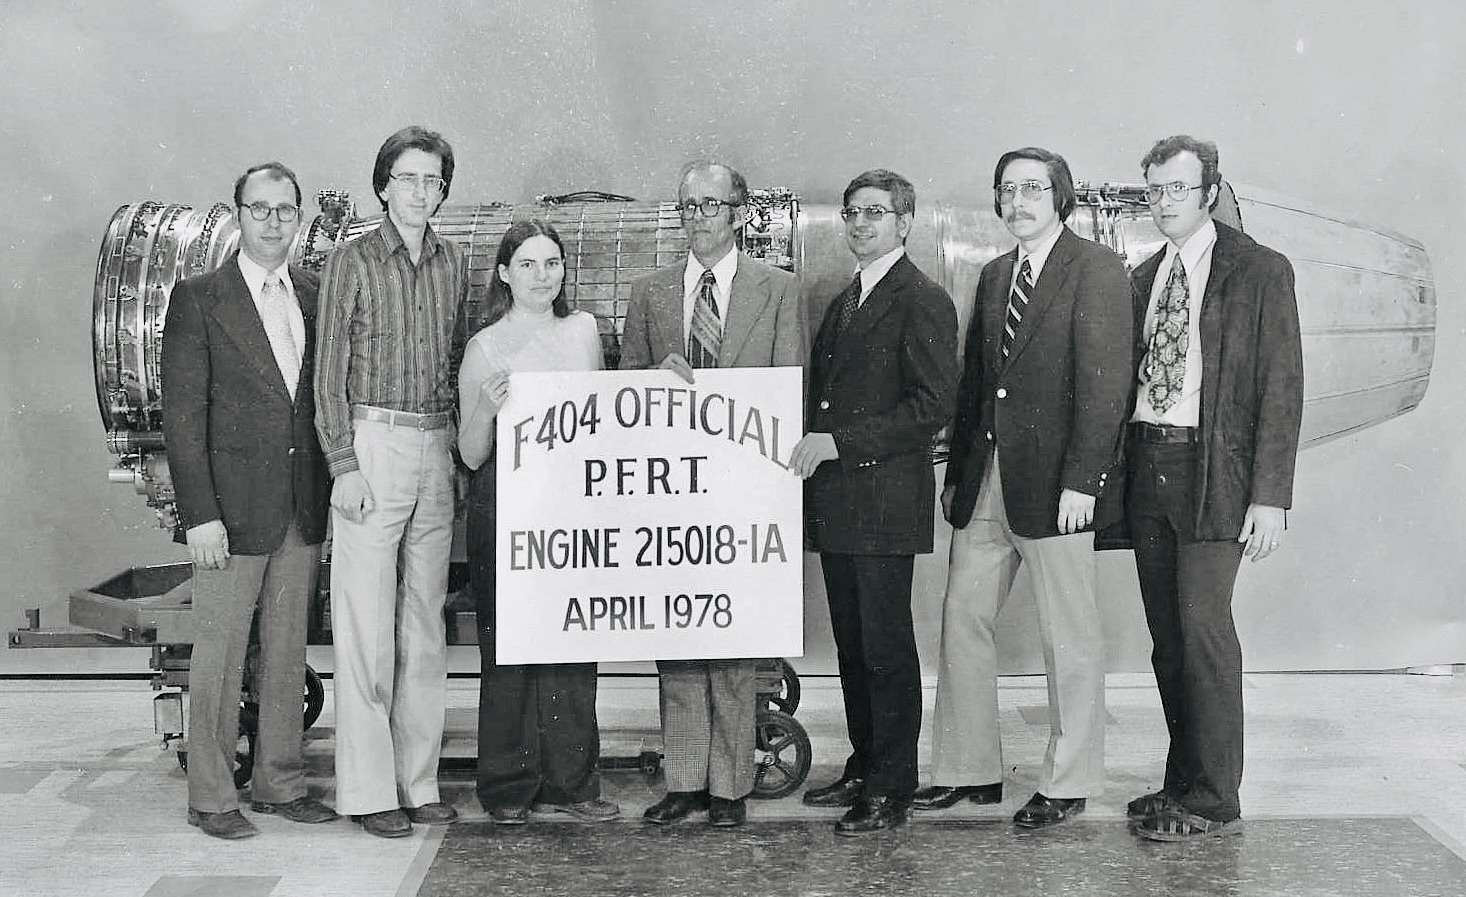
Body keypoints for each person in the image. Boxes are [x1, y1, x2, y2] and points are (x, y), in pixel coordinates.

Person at [916, 147, 1132, 828]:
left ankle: (1067, 781)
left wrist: (1084, 481)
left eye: (1032, 188)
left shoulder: (1097, 269)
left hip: (1057, 487)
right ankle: (968, 768)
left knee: (1069, 634)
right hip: (988, 480)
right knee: (962, 619)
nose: (1017, 201)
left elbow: (1106, 386)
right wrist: (959, 481)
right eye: (1006, 190)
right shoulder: (994, 274)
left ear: (1061, 197)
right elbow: (980, 385)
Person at [1119, 135, 1302, 841]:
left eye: (1178, 189)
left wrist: (1271, 496)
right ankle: (1182, 781)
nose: (1165, 202)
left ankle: (1215, 798)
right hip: (1150, 466)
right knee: (1169, 639)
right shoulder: (1143, 276)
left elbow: (1282, 389)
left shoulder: (1258, 271)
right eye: (1155, 190)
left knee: (1203, 631)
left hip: (1213, 475)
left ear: (1210, 190)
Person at [620, 161, 805, 829]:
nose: (698, 218)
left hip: (746, 495)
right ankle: (685, 781)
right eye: (687, 207)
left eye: (710, 205)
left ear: (739, 212)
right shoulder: (649, 292)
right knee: (678, 641)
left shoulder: (779, 291)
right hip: (671, 496)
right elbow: (624, 392)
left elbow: (791, 391)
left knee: (733, 642)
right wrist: (650, 374)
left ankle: (730, 787)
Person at [161, 161, 338, 839]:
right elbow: (184, 420)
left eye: (284, 210)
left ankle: (280, 781)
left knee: (289, 650)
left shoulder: (315, 293)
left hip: (300, 506)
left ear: (298, 216)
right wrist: (198, 513)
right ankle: (211, 796)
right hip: (227, 517)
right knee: (221, 653)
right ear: (237, 214)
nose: (272, 222)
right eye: (259, 209)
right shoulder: (199, 298)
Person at [790, 169, 959, 836]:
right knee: (856, 646)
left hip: (883, 502)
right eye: (853, 213)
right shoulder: (847, 298)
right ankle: (865, 764)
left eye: (876, 213)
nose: (860, 223)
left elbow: (930, 408)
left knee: (886, 647)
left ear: (905, 223)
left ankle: (892, 786)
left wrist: (838, 443)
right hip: (842, 503)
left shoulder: (921, 299)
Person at [314, 127, 466, 838]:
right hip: (371, 444)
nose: (420, 193)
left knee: (423, 627)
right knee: (367, 629)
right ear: (382, 186)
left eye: (433, 181)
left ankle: (419, 780)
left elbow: (454, 363)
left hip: (433, 443)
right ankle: (371, 790)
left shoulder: (452, 262)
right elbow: (327, 376)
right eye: (408, 179)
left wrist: (454, 457)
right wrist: (343, 464)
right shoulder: (350, 261)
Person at [458, 219, 620, 826]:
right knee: (509, 650)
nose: (542, 274)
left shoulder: (583, 332)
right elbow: (471, 454)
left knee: (574, 646)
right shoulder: (484, 346)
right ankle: (506, 789)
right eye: (527, 263)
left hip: (572, 501)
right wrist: (487, 409)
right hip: (505, 503)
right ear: (504, 273)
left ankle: (573, 786)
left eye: (552, 262)